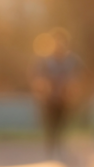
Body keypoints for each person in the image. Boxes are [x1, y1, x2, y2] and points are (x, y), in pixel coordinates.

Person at [30, 28, 81, 159]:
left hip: (64, 98)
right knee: (50, 123)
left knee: (61, 122)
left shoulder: (71, 60)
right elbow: (38, 78)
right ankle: (51, 146)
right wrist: (42, 90)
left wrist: (72, 90)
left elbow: (77, 78)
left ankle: (58, 144)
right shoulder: (45, 61)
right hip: (49, 99)